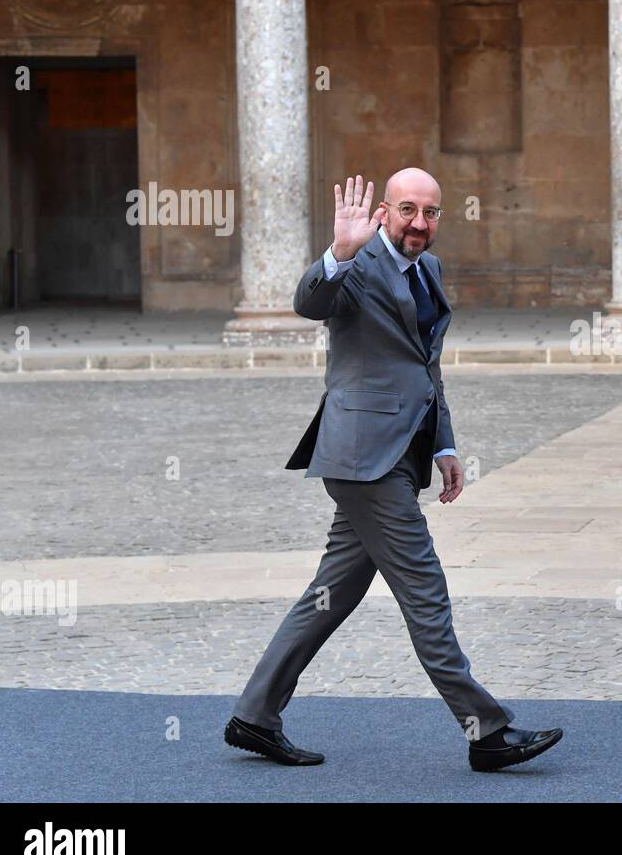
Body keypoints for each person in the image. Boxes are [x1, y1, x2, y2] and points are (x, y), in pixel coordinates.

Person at [224, 168, 563, 772]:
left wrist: (443, 447)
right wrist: (338, 252)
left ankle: (254, 716)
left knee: (330, 596)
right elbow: (310, 302)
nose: (420, 224)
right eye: (408, 210)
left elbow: (425, 370)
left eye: (431, 213)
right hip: (361, 459)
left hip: (403, 452)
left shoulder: (427, 269)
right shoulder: (356, 263)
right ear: (384, 211)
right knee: (425, 590)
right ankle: (485, 731)